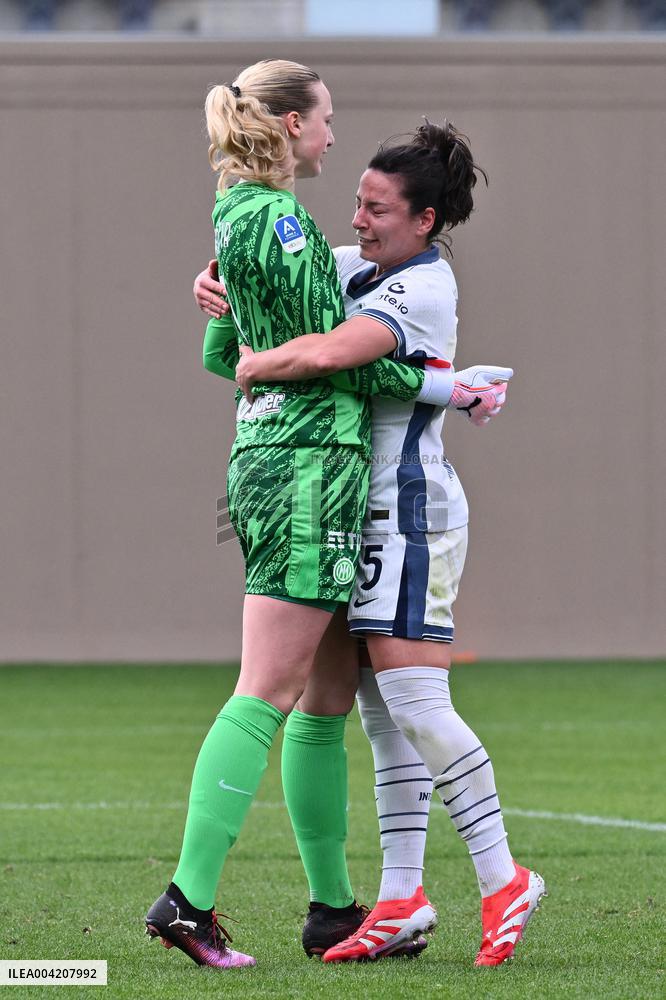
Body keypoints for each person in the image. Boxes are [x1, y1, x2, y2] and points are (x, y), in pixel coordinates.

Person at [144, 58, 466, 971]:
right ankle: (187, 899)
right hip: (308, 467)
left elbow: (228, 354)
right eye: (324, 117)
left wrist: (242, 325)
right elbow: (323, 356)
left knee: (324, 703)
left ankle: (331, 909)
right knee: (268, 690)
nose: (331, 132)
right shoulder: (280, 220)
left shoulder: (237, 212)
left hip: (281, 461)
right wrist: (443, 382)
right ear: (290, 125)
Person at [232, 121, 546, 968]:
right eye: (357, 202)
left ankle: (503, 876)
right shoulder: (352, 266)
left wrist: (262, 363)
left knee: (415, 702)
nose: (358, 219)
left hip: (410, 509)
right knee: (381, 715)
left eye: (377, 209)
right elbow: (266, 282)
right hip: (351, 505)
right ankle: (402, 896)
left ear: (425, 220)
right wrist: (216, 282)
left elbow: (339, 352)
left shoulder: (426, 289)